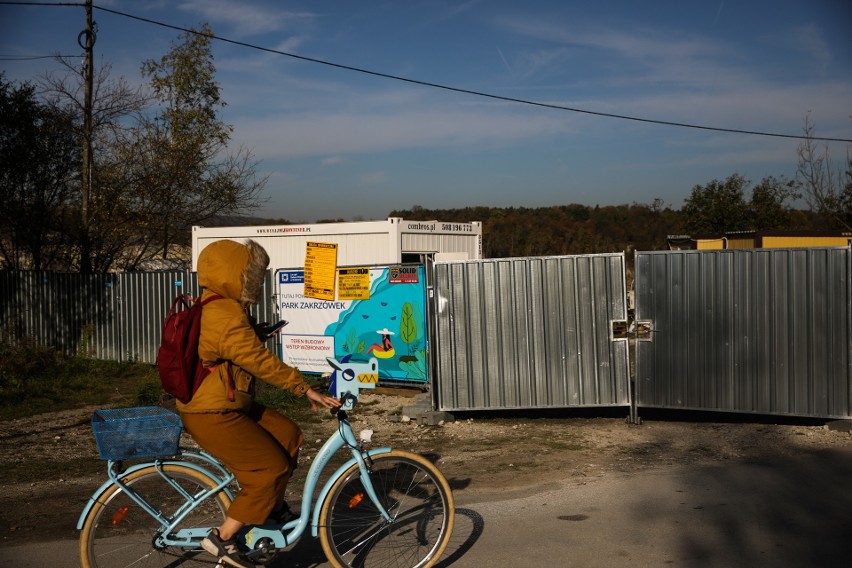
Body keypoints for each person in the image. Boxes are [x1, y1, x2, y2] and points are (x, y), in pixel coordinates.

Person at [177, 239, 340, 568]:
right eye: (250, 276)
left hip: (229, 401)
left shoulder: (214, 303)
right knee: (270, 469)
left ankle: (271, 509)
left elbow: (233, 346)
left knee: (289, 435)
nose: (255, 283)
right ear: (236, 274)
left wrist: (253, 331)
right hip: (213, 412)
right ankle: (221, 540)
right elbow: (257, 361)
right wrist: (302, 387)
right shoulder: (224, 312)